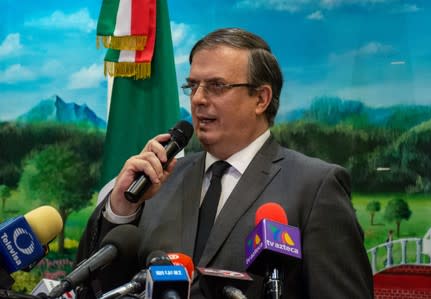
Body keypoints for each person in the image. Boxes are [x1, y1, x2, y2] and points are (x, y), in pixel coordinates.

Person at [77, 28, 374, 298]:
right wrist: (121, 211)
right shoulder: (159, 181)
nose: (198, 99)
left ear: (261, 98)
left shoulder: (315, 186)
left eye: (216, 86)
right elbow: (94, 288)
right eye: (193, 86)